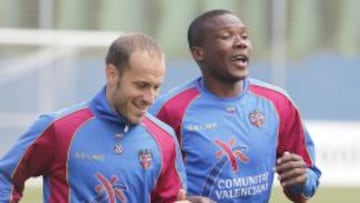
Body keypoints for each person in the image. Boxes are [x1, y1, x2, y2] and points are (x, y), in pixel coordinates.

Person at [150, 9, 321, 203]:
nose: (241, 43)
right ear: (199, 53)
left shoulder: (277, 103)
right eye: (226, 36)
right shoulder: (169, 109)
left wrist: (302, 180)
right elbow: (143, 183)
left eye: (245, 36)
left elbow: (305, 186)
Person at [0, 33, 193, 203]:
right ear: (112, 74)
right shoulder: (59, 128)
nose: (150, 98)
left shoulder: (165, 139)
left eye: (156, 87)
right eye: (141, 85)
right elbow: (5, 177)